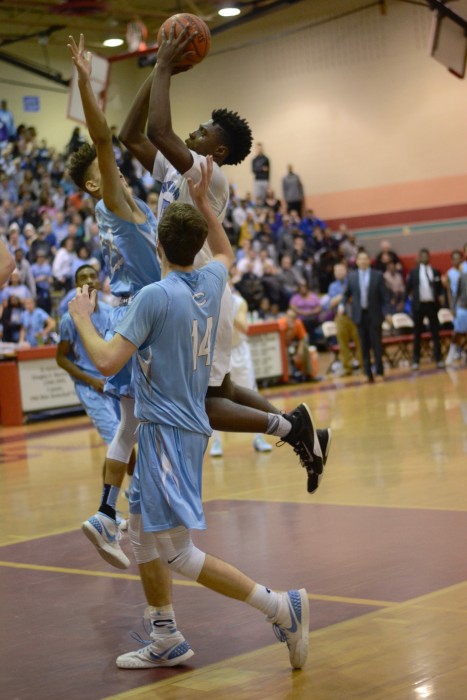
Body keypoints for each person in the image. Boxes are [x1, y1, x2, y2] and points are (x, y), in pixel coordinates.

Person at [68, 159, 310, 672]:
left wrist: (82, 320)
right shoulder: (211, 281)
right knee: (140, 535)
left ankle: (280, 606)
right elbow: (224, 250)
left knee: (177, 553)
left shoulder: (154, 296)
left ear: (156, 244)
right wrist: (205, 204)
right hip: (178, 431)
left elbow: (108, 359)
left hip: (167, 438)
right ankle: (166, 635)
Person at [118, 23, 328, 497]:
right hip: (199, 292)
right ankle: (304, 429)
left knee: (205, 406)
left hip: (202, 293)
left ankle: (291, 429)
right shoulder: (180, 166)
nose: (195, 129)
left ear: (218, 149)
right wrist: (157, 70)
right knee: (221, 394)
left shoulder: (210, 176)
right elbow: (132, 135)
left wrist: (167, 65)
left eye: (205, 129)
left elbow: (157, 128)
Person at [67, 34, 160, 569]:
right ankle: (138, 510)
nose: (113, 171)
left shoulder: (134, 203)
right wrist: (85, 80)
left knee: (129, 425)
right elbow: (106, 139)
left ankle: (106, 513)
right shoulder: (116, 204)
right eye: (101, 175)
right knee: (153, 420)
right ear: (94, 186)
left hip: (141, 309)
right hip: (139, 317)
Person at [56, 264, 121, 445]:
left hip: (113, 383)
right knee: (117, 441)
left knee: (122, 444)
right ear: (77, 284)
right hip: (90, 387)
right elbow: (61, 358)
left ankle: (131, 474)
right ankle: (135, 474)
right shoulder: (70, 319)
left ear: (99, 282)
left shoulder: (110, 311)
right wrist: (91, 380)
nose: (89, 280)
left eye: (93, 276)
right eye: (83, 278)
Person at [210, 284, 273, 457]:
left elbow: (244, 327)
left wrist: (225, 308)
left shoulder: (239, 302)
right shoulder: (206, 299)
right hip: (219, 352)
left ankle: (259, 438)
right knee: (214, 397)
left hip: (239, 351)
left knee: (250, 391)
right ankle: (216, 442)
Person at [343, 249, 391, 382]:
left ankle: (380, 372)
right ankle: (367, 373)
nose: (363, 261)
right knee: (363, 346)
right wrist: (342, 305)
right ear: (357, 262)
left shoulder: (378, 275)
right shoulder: (351, 277)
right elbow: (346, 294)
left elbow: (385, 297)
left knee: (376, 345)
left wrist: (387, 313)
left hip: (374, 314)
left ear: (369, 261)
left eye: (365, 258)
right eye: (360, 259)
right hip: (360, 315)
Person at [405, 248, 444, 370]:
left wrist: (441, 298)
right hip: (419, 306)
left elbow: (440, 289)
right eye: (421, 256)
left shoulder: (435, 271)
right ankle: (416, 360)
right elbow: (408, 288)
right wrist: (404, 302)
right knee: (417, 334)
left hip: (432, 305)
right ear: (419, 257)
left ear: (429, 257)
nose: (424, 258)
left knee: (435, 333)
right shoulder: (414, 272)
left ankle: (438, 359)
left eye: (426, 255)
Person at [328, 262, 363, 376]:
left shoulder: (353, 281)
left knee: (360, 341)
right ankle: (347, 367)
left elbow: (356, 298)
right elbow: (332, 303)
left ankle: (364, 365)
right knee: (342, 343)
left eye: (340, 270)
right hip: (341, 317)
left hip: (354, 315)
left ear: (346, 270)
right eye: (336, 271)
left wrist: (341, 297)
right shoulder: (332, 286)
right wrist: (345, 296)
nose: (338, 273)